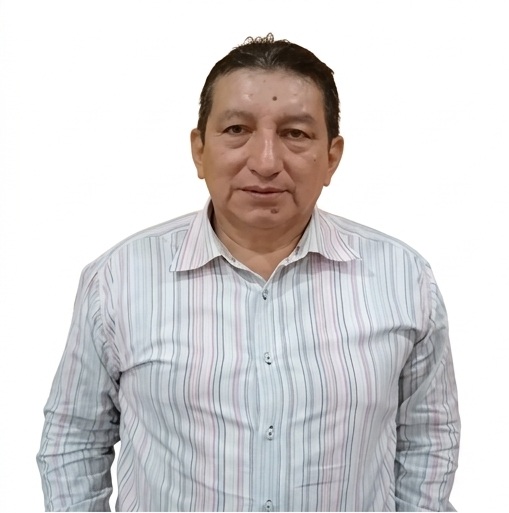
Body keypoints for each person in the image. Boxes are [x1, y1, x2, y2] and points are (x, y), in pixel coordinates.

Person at [37, 34, 460, 512]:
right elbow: (74, 440)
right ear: (199, 150)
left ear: (332, 157)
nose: (265, 162)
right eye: (237, 129)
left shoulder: (403, 279)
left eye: (295, 134)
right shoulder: (119, 279)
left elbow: (429, 438)